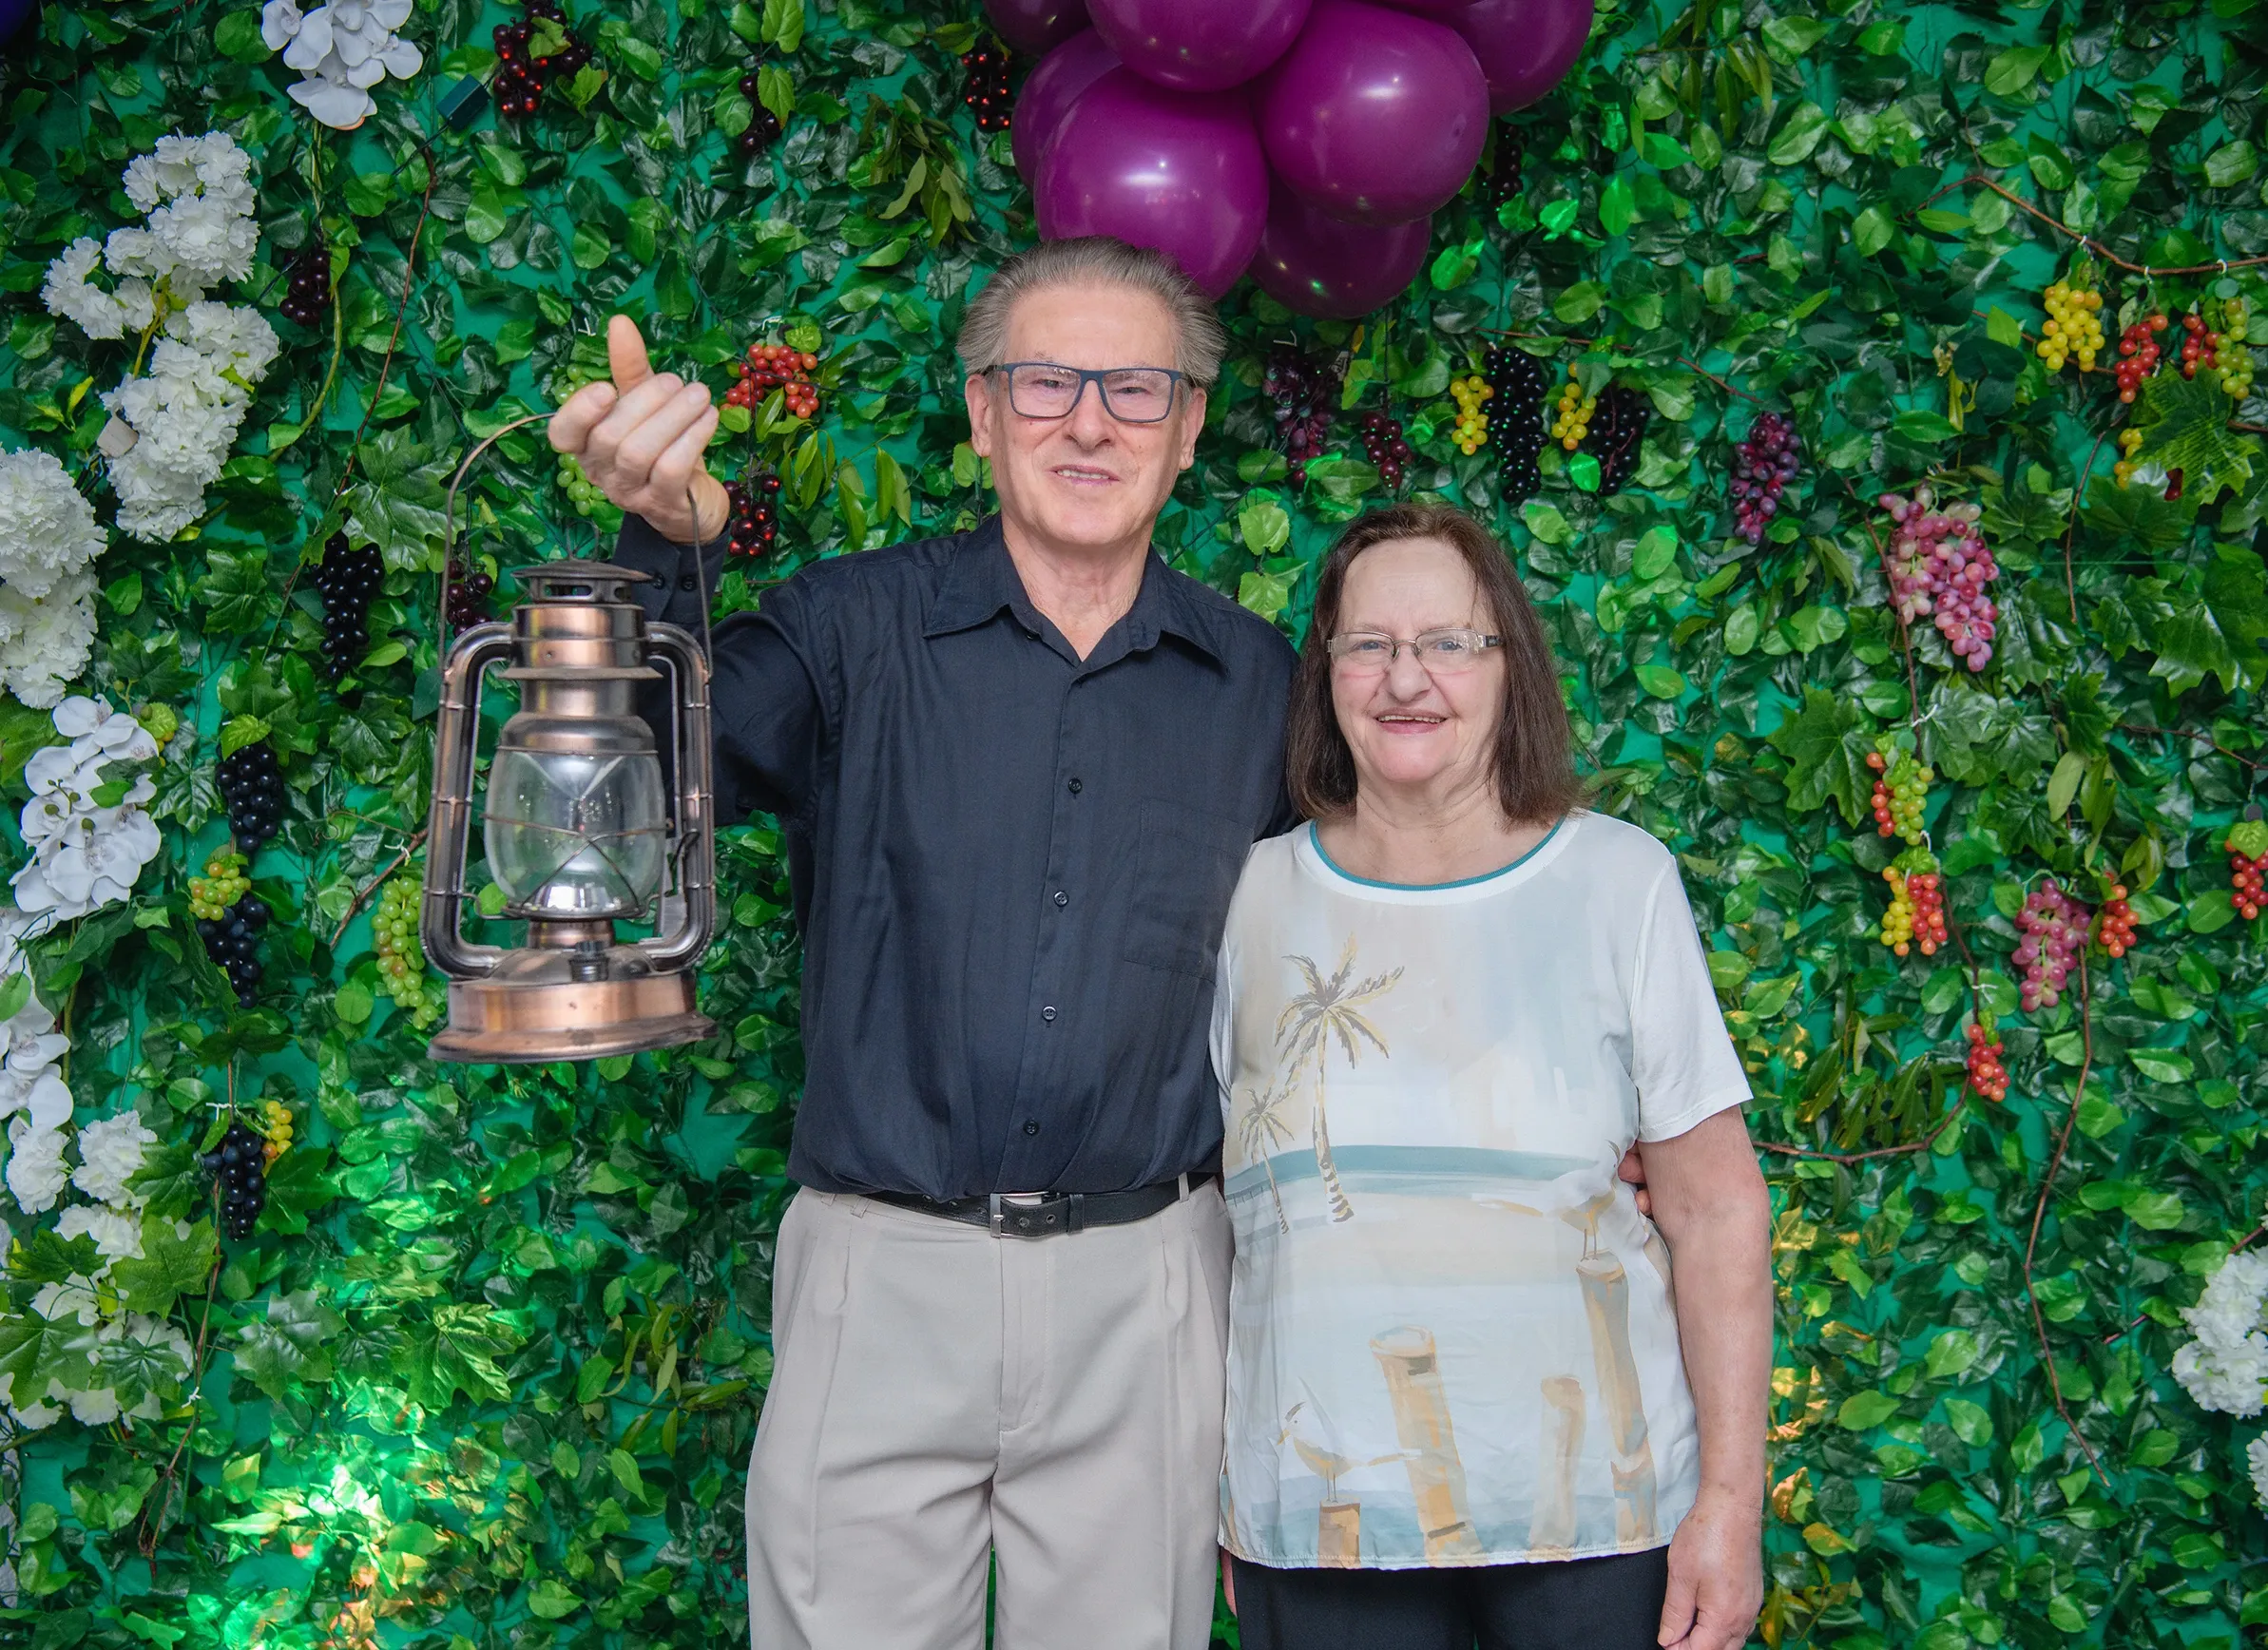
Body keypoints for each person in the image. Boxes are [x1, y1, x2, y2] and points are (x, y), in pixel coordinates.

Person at [546, 237, 1298, 1649]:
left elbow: (1375, 924)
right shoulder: (845, 627)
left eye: (1136, 390)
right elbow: (634, 759)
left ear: (1188, 431)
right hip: (880, 1273)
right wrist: (659, 539)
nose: (1088, 421)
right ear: (978, 413)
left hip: (1147, 1281)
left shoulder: (1261, 683)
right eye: (1044, 382)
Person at [1211, 503, 1771, 1650]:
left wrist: (1730, 1500)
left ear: (1508, 664)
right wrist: (1228, 1484)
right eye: (1368, 643)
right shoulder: (1250, 895)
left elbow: (1715, 1209)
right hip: (1319, 1523)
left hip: (1600, 1524)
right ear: (1323, 672)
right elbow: (1215, 1210)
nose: (1405, 677)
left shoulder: (1620, 881)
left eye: (1449, 641)